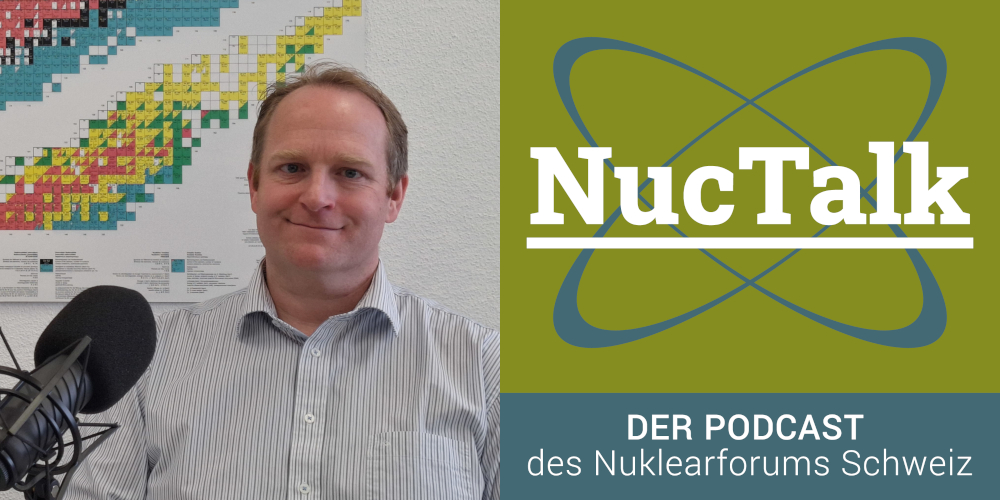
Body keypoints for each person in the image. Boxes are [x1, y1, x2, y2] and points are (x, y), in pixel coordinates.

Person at [63, 62, 500, 499]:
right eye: (292, 168)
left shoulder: (486, 367)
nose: (317, 197)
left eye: (350, 173)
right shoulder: (147, 359)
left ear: (393, 197)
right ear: (255, 185)